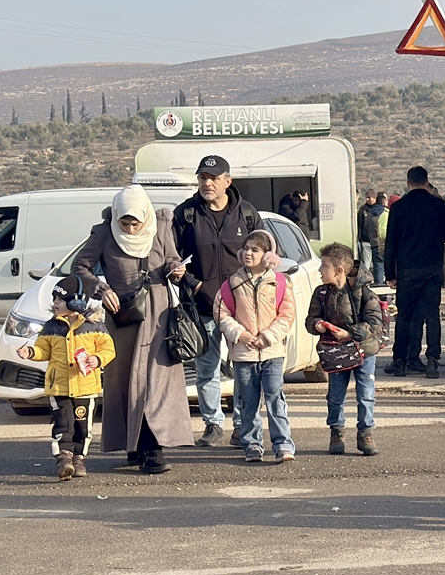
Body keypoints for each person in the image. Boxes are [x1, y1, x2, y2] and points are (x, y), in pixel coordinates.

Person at [73, 185, 192, 474]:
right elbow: (80, 267)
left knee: (156, 382)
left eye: (135, 222)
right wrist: (101, 288)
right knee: (126, 382)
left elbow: (171, 258)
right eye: (124, 222)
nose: (130, 228)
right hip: (123, 316)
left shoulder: (161, 226)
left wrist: (176, 269)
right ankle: (134, 446)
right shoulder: (103, 233)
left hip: (159, 316)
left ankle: (153, 449)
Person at [173, 155, 271, 447]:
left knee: (244, 369)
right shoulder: (186, 214)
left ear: (228, 181)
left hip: (241, 309)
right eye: (202, 177)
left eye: (213, 178)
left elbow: (264, 256)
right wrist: (195, 284)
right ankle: (213, 424)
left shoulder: (248, 214)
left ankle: (242, 424)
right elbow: (172, 259)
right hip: (201, 306)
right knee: (207, 369)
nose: (207, 183)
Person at [16, 275, 115, 481]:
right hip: (59, 387)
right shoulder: (52, 326)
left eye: (59, 300)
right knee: (62, 424)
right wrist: (31, 353)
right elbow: (43, 350)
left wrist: (97, 359)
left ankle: (79, 459)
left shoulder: (94, 325)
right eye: (54, 300)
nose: (55, 304)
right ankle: (64, 458)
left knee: (83, 426)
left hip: (86, 387)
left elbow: (108, 349)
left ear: (75, 302)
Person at [215, 230, 297, 464]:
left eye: (256, 249)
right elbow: (222, 314)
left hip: (272, 352)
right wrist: (241, 334)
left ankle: (282, 444)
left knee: (275, 398)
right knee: (247, 402)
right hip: (244, 354)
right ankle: (252, 443)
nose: (249, 253)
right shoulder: (232, 284)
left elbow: (287, 314)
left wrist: (268, 336)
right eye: (247, 248)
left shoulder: (279, 282)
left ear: (267, 255)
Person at [306, 242, 384, 456]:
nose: (320, 270)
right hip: (335, 352)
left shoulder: (365, 292)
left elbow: (374, 323)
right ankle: (336, 432)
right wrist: (317, 324)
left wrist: (349, 334)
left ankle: (366, 433)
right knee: (335, 394)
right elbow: (310, 319)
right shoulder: (321, 292)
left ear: (339, 270)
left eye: (324, 265)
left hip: (363, 350)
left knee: (365, 392)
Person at [382, 166, 445, 379]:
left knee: (404, 316)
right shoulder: (438, 205)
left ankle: (400, 361)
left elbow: (391, 244)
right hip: (432, 268)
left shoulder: (399, 208)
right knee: (432, 315)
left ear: (408, 183)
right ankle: (433, 360)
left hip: (407, 270)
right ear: (427, 182)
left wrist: (390, 274)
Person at [362, 192, 387, 285]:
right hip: (383, 243)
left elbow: (365, 226)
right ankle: (384, 284)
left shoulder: (369, 214)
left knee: (377, 265)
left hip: (372, 242)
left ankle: (378, 283)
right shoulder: (385, 213)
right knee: (384, 265)